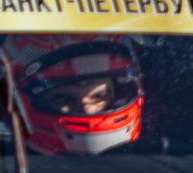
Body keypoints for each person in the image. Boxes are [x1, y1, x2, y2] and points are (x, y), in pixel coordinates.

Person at [16, 38, 145, 155]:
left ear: (116, 95)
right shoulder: (3, 164)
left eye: (98, 96)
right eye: (65, 100)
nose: (88, 110)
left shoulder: (157, 159)